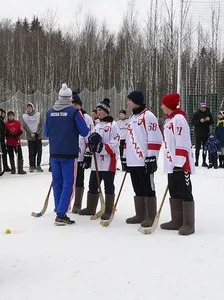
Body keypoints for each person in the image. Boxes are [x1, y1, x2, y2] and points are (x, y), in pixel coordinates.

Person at [44, 84, 88, 225]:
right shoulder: (73, 112)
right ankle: (61, 213)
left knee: (57, 182)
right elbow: (84, 131)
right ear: (70, 98)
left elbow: (46, 132)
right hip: (69, 153)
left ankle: (59, 208)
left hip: (54, 153)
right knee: (69, 183)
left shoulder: (50, 112)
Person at [123, 90, 163, 228]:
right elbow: (128, 139)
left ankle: (150, 216)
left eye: (130, 100)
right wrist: (125, 158)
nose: (128, 102)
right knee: (137, 187)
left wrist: (151, 157)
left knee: (147, 187)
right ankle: (140, 214)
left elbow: (156, 138)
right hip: (133, 160)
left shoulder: (148, 116)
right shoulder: (132, 117)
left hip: (144, 159)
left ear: (136, 101)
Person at [160, 93, 195, 235]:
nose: (161, 106)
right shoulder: (169, 120)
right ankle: (177, 220)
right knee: (173, 190)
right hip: (171, 162)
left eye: (163, 104)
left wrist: (179, 162)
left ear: (168, 105)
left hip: (180, 164)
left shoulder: (179, 119)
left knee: (184, 190)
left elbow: (182, 141)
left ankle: (188, 224)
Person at [79, 99, 119, 219]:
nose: (98, 112)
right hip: (96, 163)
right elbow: (90, 140)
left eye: (101, 110)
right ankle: (91, 207)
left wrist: (100, 147)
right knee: (92, 184)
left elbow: (114, 143)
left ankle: (108, 209)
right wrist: (89, 150)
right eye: (97, 110)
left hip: (108, 162)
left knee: (108, 185)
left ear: (106, 111)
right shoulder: (96, 126)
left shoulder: (113, 125)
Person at [71, 92, 93, 214]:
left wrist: (88, 154)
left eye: (75, 104)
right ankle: (66, 202)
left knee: (79, 179)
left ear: (79, 105)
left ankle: (77, 204)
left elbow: (88, 136)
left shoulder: (86, 118)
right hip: (69, 153)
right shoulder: (68, 116)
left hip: (80, 154)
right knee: (69, 179)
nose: (73, 106)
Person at [23, 102, 43, 172]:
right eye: (28, 108)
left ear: (32, 108)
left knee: (39, 151)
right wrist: (30, 133)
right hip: (30, 137)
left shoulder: (38, 115)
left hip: (38, 136)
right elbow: (24, 126)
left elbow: (40, 124)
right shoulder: (25, 116)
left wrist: (37, 132)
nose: (29, 109)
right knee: (31, 152)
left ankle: (38, 165)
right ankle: (32, 165)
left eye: (30, 108)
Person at [192, 101, 213, 167]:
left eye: (204, 107)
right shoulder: (196, 113)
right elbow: (193, 122)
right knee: (197, 148)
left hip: (206, 133)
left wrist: (209, 120)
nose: (203, 109)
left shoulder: (208, 113)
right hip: (198, 133)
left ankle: (204, 161)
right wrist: (199, 121)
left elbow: (212, 122)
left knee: (205, 148)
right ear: (200, 107)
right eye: (202, 107)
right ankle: (196, 161)